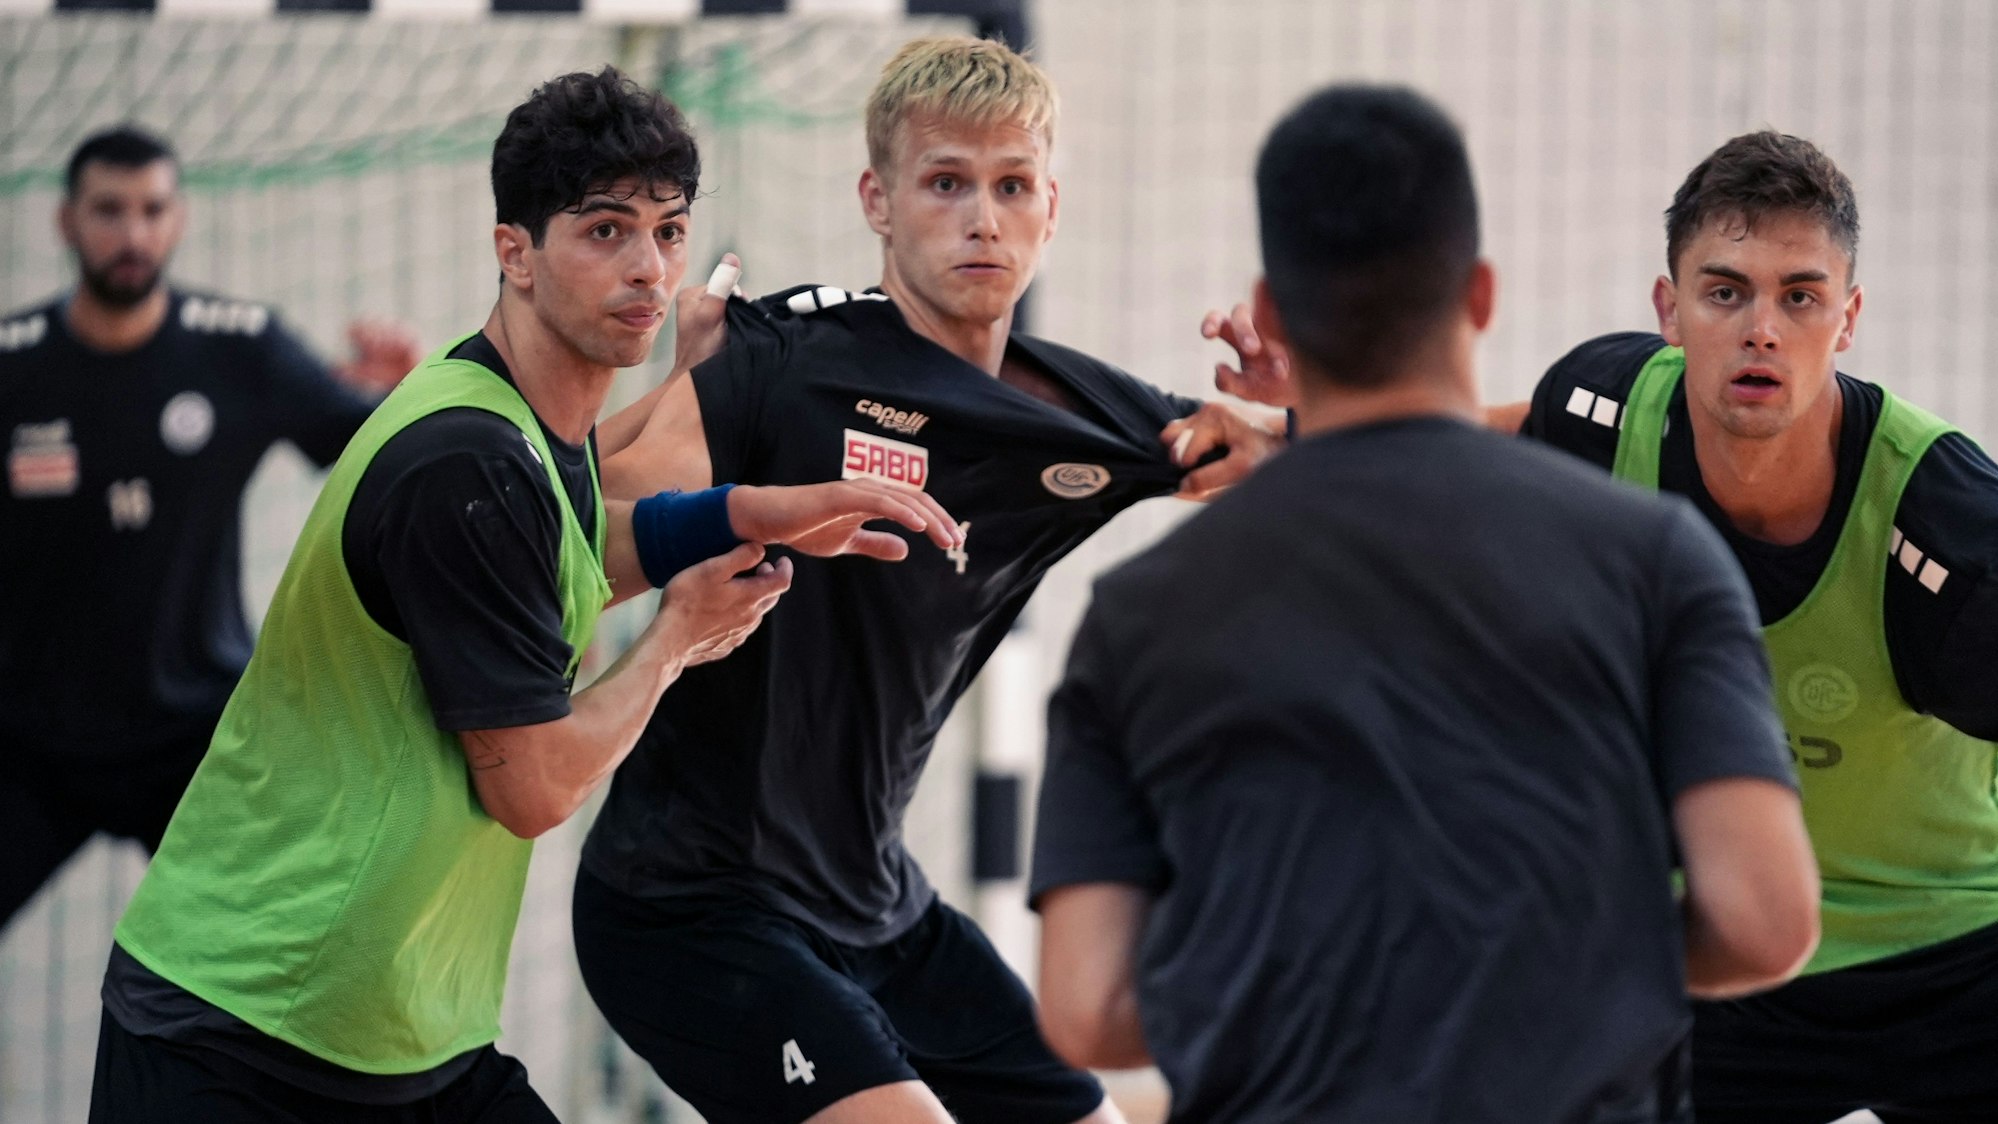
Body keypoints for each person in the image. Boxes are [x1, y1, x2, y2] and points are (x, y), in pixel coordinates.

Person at [87, 67, 958, 1123]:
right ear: (516, 250)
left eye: (670, 231)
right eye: (604, 231)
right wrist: (677, 637)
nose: (648, 267)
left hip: (408, 1034)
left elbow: (574, 544)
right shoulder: (468, 460)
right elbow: (535, 786)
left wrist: (754, 512)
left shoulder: (528, 421)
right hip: (243, 1033)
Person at [1029, 85, 1821, 1124]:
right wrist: (1562, 964)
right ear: (1480, 294)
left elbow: (1086, 1009)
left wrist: (1297, 983)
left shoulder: (1137, 611)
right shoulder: (1659, 558)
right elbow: (1767, 923)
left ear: (1270, 310)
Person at [571, 35, 1282, 1124]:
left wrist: (1284, 414)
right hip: (691, 903)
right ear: (879, 199)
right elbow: (563, 535)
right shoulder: (779, 363)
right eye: (946, 182)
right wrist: (677, 423)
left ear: (1054, 205)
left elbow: (1300, 460)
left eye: (1011, 187)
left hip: (880, 911)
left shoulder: (1075, 417)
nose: (981, 217)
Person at [1503, 131, 1998, 1124]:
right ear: (1669, 309)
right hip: (1729, 956)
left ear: (1847, 318)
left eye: (1800, 296)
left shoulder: (1949, 534)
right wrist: (1290, 430)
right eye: (1725, 290)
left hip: (1961, 958)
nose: (1761, 327)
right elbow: (1461, 446)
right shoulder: (1603, 414)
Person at [0, 124, 422, 929]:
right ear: (66, 222)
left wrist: (410, 392)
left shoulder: (240, 348)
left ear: (179, 218)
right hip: (31, 737)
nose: (133, 232)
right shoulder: (12, 365)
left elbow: (378, 446)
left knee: (273, 943)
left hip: (193, 735)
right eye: (109, 210)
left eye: (153, 209)